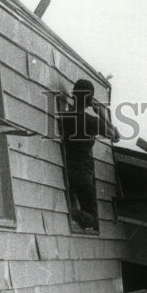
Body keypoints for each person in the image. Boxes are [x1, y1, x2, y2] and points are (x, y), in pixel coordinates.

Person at [59, 78, 120, 231]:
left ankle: (70, 211)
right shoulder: (92, 122)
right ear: (90, 100)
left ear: (74, 96)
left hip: (67, 169)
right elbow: (116, 137)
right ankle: (72, 213)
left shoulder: (65, 117)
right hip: (83, 173)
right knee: (93, 219)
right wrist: (102, 114)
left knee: (72, 199)